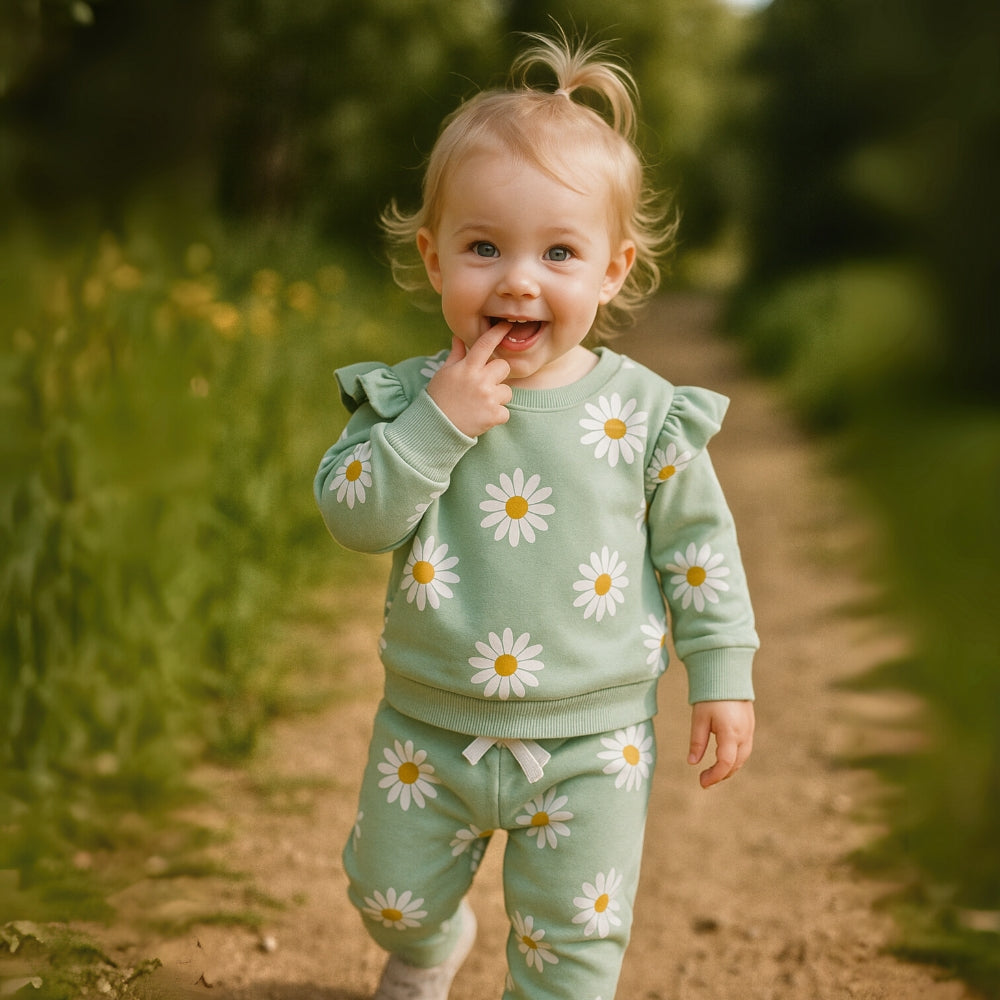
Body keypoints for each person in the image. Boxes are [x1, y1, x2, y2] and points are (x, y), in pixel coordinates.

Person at [315, 28, 758, 1000]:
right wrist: (437, 425)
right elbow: (354, 515)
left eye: (558, 251)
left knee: (571, 945)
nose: (518, 279)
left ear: (610, 270)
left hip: (595, 739)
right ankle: (431, 946)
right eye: (484, 248)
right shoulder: (406, 400)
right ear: (434, 260)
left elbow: (698, 550)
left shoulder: (643, 415)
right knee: (387, 893)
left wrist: (722, 672)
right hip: (427, 726)